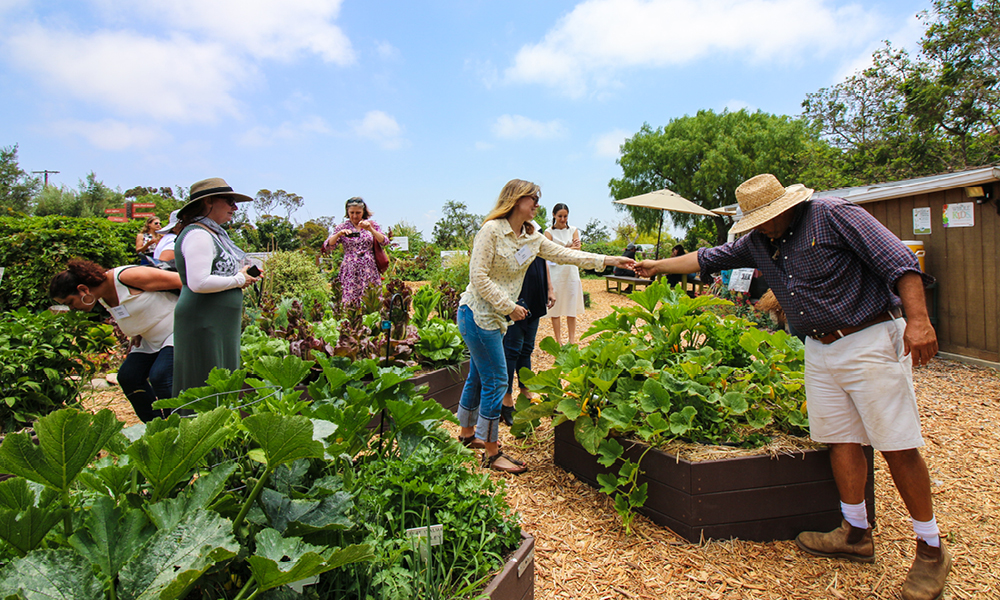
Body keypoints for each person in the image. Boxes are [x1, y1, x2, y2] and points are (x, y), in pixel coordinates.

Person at [634, 174, 947, 600]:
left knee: (897, 444)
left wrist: (919, 320)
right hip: (819, 346)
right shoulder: (758, 240)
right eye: (755, 221)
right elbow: (707, 258)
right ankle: (855, 532)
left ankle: (930, 548)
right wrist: (656, 266)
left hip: (868, 337)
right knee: (838, 439)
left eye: (765, 218)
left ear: (785, 207)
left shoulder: (833, 215)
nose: (760, 226)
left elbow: (900, 263)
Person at [457, 179, 635, 474]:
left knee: (479, 376)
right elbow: (478, 277)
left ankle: (467, 436)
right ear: (516, 201)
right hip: (477, 315)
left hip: (495, 318)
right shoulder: (491, 231)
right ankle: (491, 452)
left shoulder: (532, 237)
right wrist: (510, 307)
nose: (538, 205)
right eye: (533, 199)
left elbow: (568, 255)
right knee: (498, 381)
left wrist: (610, 259)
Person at [50, 259, 181, 422]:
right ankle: (157, 426)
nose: (72, 308)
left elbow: (185, 282)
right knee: (129, 377)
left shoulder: (127, 277)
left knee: (161, 376)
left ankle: (180, 425)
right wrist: (136, 331)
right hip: (150, 338)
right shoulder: (101, 295)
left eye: (70, 302)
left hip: (178, 329)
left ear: (83, 289)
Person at [172, 178, 261, 397]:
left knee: (221, 380)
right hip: (204, 321)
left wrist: (241, 277)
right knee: (204, 380)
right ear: (209, 201)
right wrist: (239, 280)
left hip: (217, 322)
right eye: (229, 201)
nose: (235, 207)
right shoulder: (198, 234)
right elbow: (199, 282)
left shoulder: (213, 234)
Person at [500, 256, 554, 426]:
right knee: (512, 348)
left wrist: (549, 288)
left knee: (527, 348)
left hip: (535, 294)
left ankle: (525, 392)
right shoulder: (509, 231)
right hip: (516, 296)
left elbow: (544, 258)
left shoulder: (535, 231)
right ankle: (506, 399)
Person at [322, 197, 387, 306]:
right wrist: (339, 234)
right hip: (350, 269)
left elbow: (384, 241)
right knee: (350, 301)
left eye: (358, 212)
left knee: (371, 299)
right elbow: (328, 245)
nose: (355, 216)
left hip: (369, 268)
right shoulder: (341, 227)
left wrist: (370, 229)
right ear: (347, 212)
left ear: (363, 212)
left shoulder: (372, 225)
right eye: (352, 212)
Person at [544, 203, 584, 345]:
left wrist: (564, 249)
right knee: (556, 307)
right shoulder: (548, 232)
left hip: (571, 272)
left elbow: (576, 250)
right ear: (554, 215)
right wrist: (568, 248)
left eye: (565, 216)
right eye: (560, 216)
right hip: (555, 273)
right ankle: (559, 340)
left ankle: (572, 340)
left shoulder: (573, 230)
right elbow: (550, 253)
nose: (563, 219)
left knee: (571, 306)